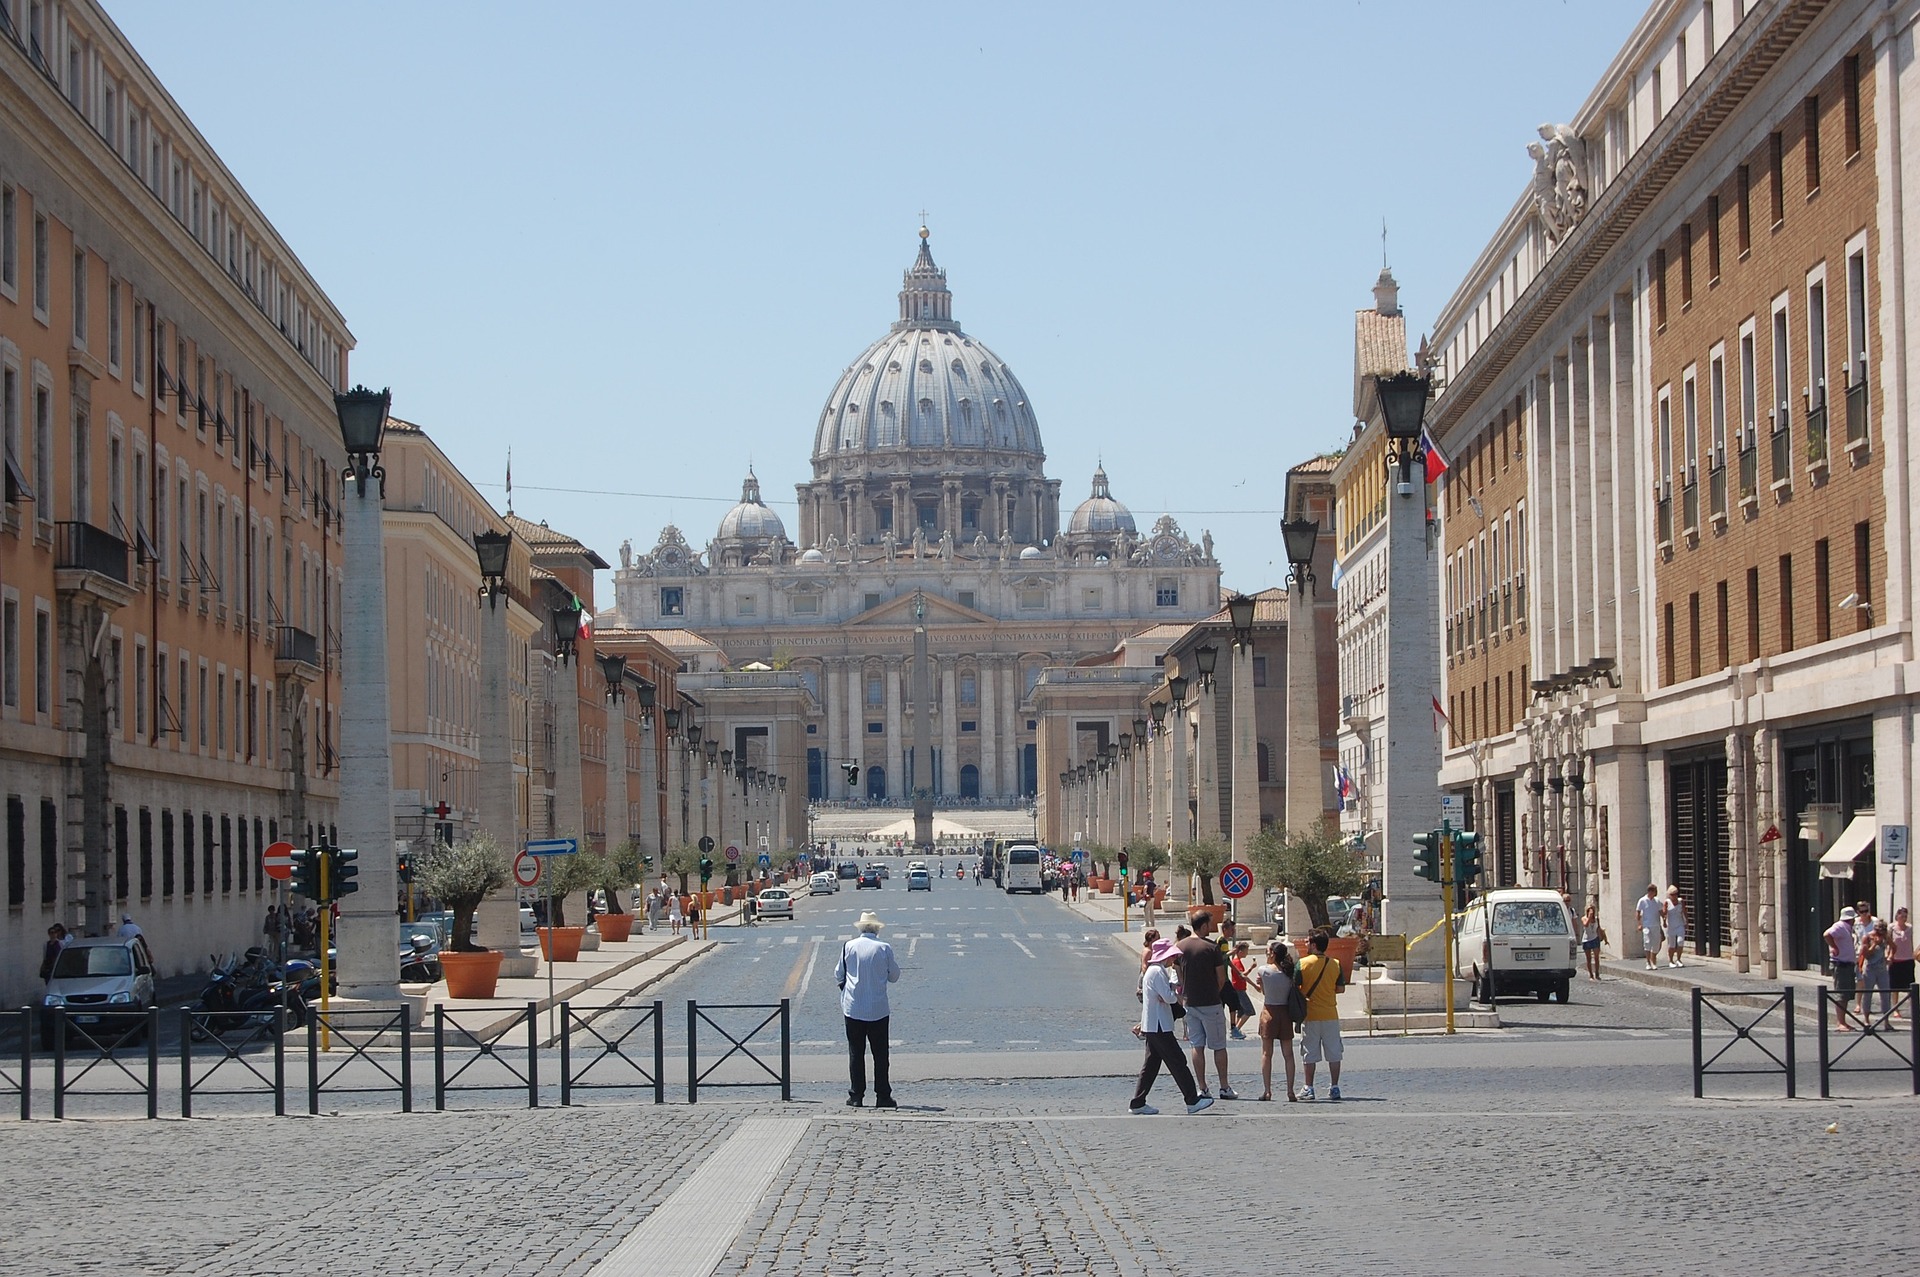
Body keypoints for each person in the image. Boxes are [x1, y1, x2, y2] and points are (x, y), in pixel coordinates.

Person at [1128, 938, 1213, 1115]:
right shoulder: (1157, 972)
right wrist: (1172, 993)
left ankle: (1138, 1102)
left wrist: (1168, 993)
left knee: (1151, 1065)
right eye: (1171, 956)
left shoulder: (1153, 971)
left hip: (1155, 1025)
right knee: (1177, 1062)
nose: (1172, 960)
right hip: (1160, 1026)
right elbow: (1169, 998)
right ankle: (1191, 1099)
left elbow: (1163, 997)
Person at [834, 911, 900, 1108]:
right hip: (878, 1009)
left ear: (860, 928)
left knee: (856, 1053)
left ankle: (856, 1095)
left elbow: (838, 974)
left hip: (853, 1008)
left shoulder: (849, 946)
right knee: (880, 1055)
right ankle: (883, 1095)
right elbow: (894, 976)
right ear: (877, 929)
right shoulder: (884, 948)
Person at [1177, 910, 1237, 1100]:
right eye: (1210, 924)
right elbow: (1221, 978)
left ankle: (1202, 1087)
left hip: (1190, 1003)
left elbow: (1178, 976)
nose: (1211, 928)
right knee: (1219, 1046)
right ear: (1203, 926)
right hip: (1211, 1002)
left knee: (1197, 1045)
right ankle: (1224, 1087)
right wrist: (1214, 992)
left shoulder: (1180, 947)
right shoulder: (1212, 948)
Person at [1295, 930, 1347, 1100]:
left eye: (1308, 942)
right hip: (1330, 1013)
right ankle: (1335, 1087)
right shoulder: (1336, 964)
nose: (1305, 944)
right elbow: (1340, 988)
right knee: (1334, 1052)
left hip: (1310, 1015)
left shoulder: (1302, 964)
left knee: (1309, 1052)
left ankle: (1308, 1087)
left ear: (1314, 945)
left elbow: (1295, 988)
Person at [1249, 939, 1298, 1102]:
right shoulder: (1289, 972)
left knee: (1266, 1053)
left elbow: (1264, 992)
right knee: (1288, 1054)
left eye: (1268, 952)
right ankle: (1290, 1091)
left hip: (1269, 1011)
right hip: (1285, 1012)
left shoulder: (1263, 971)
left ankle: (1267, 1090)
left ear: (1273, 954)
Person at [1825, 907, 1859, 1031]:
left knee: (1846, 994)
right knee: (1841, 994)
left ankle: (1843, 1021)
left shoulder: (1847, 928)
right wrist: (1834, 947)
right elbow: (1827, 934)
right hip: (1841, 965)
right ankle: (1840, 1022)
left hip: (1847, 964)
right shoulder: (1839, 926)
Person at [1858, 919, 1892, 1028]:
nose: (1880, 934)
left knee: (1886, 995)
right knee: (1868, 994)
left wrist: (1890, 956)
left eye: (1883, 931)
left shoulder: (1885, 937)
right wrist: (1874, 945)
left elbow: (1894, 946)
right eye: (1879, 932)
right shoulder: (1867, 937)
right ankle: (1866, 1019)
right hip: (1870, 969)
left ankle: (1886, 1021)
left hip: (1882, 969)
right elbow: (1866, 954)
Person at [1227, 940, 1255, 1039]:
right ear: (1240, 951)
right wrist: (1251, 969)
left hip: (1239, 988)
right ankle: (1236, 1030)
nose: (1247, 953)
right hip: (1239, 989)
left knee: (1241, 1011)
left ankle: (1236, 1029)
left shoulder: (1236, 961)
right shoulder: (1236, 962)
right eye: (1246, 951)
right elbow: (1242, 976)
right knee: (1249, 1010)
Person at [1889, 907, 1914, 1012]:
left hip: (1908, 959)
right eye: (1901, 916)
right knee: (1895, 987)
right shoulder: (1891, 928)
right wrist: (1889, 955)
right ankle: (1895, 1009)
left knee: (1910, 985)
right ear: (1897, 916)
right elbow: (1889, 943)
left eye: (1905, 916)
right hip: (1896, 959)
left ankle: (1913, 1008)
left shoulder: (1910, 928)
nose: (1903, 918)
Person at [1635, 885, 1664, 970]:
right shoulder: (1642, 900)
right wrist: (1639, 924)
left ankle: (1653, 961)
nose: (1654, 894)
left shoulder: (1657, 901)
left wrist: (1664, 919)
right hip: (1646, 925)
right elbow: (1638, 912)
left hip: (1656, 925)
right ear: (1649, 891)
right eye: (1653, 892)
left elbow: (1660, 911)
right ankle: (1648, 962)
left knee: (1656, 944)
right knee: (1647, 942)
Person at [1580, 904, 1607, 981]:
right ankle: (1591, 975)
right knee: (1589, 958)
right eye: (1589, 910)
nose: (1591, 912)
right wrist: (1589, 917)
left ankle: (1597, 974)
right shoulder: (1584, 918)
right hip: (1586, 939)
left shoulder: (1596, 919)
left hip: (1595, 938)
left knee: (1596, 957)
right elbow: (1586, 925)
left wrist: (1602, 937)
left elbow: (1598, 928)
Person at [1662, 887, 1688, 968]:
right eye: (1672, 895)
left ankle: (1679, 959)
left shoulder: (1681, 901)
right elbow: (1664, 913)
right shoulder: (1667, 902)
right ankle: (1671, 960)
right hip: (1671, 926)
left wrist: (1686, 921)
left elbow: (1684, 911)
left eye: (1675, 894)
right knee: (1672, 945)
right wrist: (1664, 922)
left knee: (1680, 941)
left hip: (1679, 924)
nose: (1674, 896)